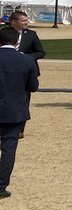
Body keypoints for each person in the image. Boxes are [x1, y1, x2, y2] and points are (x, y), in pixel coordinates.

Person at [0, 26, 39, 199]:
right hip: (14, 109)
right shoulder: (26, 61)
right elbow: (33, 87)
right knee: (9, 148)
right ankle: (1, 185)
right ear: (16, 42)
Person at [10, 11, 44, 139]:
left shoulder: (31, 34)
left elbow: (41, 52)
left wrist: (26, 57)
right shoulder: (4, 33)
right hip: (7, 70)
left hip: (25, 71)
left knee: (23, 100)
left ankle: (20, 129)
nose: (26, 22)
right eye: (23, 20)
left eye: (26, 20)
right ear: (13, 22)